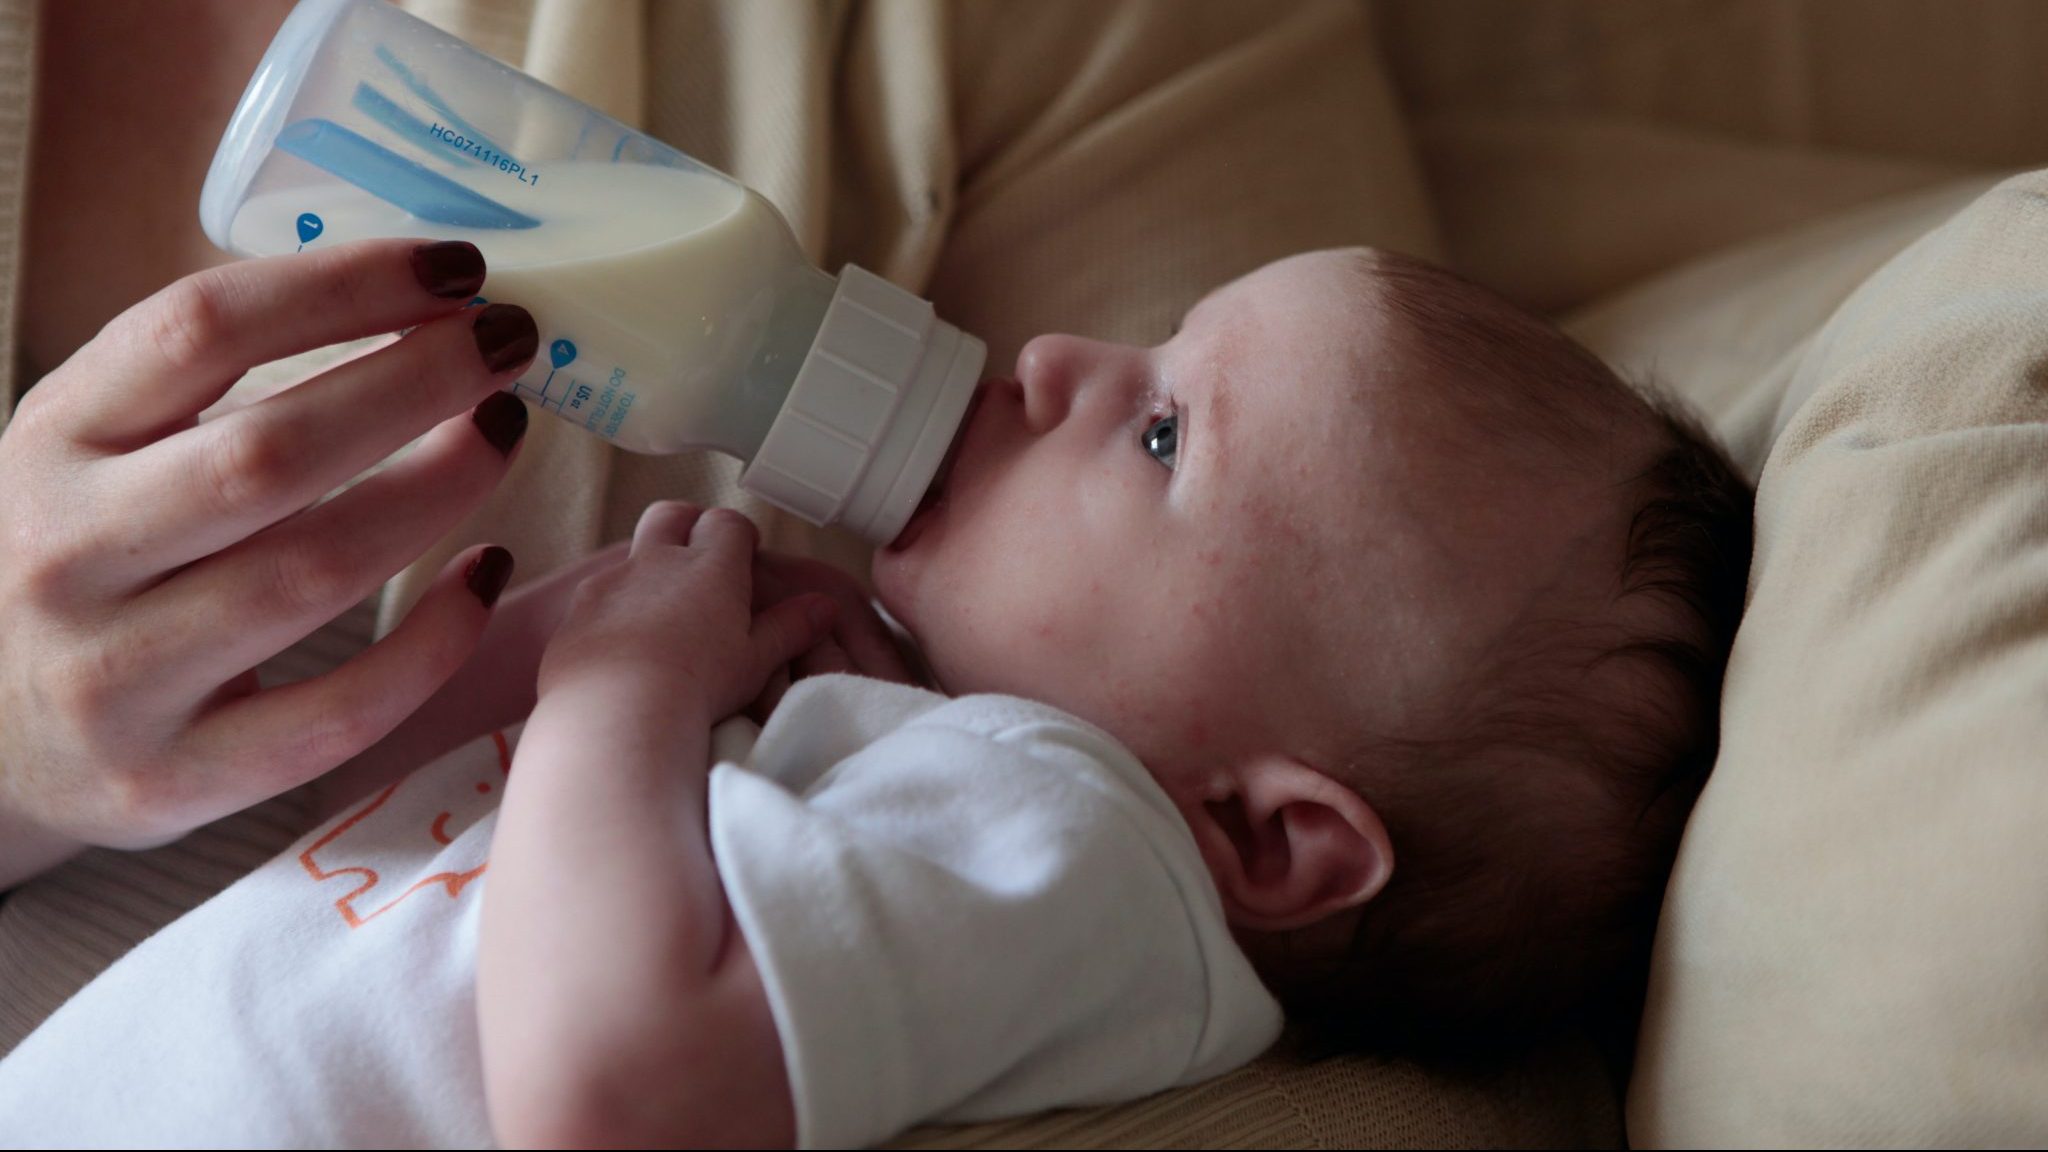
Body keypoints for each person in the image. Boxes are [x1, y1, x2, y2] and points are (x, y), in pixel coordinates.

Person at [0, 246, 1754, 1147]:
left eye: (1161, 434)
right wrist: (590, 657)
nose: (1060, 358)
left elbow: (607, 1098)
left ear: (1265, 833)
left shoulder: (1086, 845)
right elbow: (424, 864)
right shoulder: (939, 779)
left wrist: (628, 680)